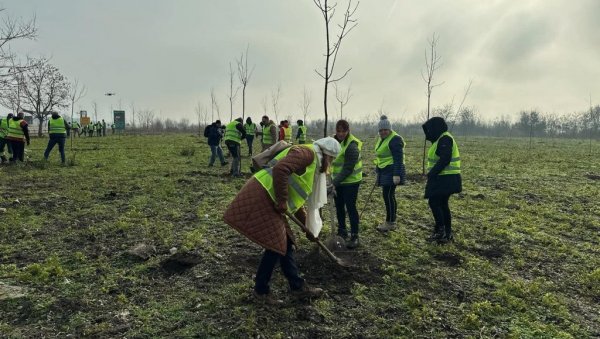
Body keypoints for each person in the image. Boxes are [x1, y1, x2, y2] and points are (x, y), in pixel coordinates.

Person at [223, 137, 341, 304]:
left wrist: (307, 227)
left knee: (285, 244)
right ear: (328, 155)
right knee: (276, 246)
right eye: (332, 160)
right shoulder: (307, 153)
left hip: (271, 197)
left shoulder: (312, 162)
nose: (330, 164)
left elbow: (296, 196)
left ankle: (297, 287)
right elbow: (280, 169)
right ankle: (261, 291)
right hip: (264, 194)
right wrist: (282, 200)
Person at [422, 117, 462, 243]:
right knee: (443, 204)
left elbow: (445, 159)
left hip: (445, 178)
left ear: (435, 128)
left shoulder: (444, 139)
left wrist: (432, 173)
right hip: (447, 178)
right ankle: (446, 233)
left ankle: (441, 232)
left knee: (434, 202)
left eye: (429, 130)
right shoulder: (441, 138)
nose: (427, 134)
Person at [331, 120, 363, 248]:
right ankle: (342, 231)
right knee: (339, 207)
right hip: (338, 181)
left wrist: (333, 183)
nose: (341, 134)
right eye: (338, 131)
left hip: (351, 181)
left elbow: (348, 169)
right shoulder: (333, 142)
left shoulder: (352, 146)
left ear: (348, 131)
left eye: (343, 131)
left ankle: (355, 235)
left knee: (350, 207)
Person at [374, 115, 406, 232]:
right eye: (381, 130)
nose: (383, 132)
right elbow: (380, 157)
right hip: (385, 171)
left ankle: (390, 222)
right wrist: (378, 172)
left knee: (388, 196)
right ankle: (391, 221)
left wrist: (396, 174)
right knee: (389, 195)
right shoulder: (381, 139)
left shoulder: (395, 139)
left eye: (385, 130)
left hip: (392, 171)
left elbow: (399, 158)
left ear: (390, 129)